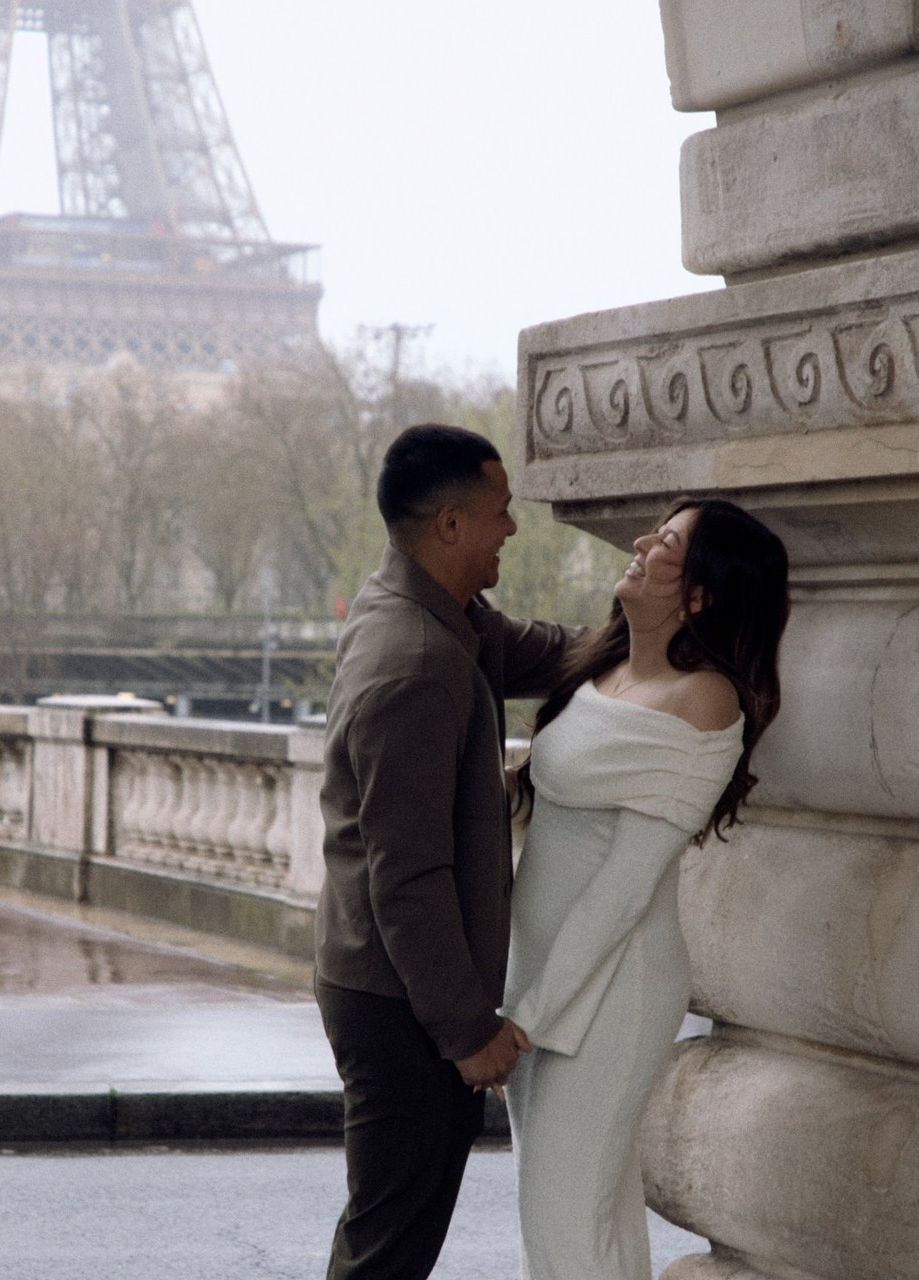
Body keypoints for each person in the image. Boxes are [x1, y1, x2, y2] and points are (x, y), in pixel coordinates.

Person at [315, 423, 579, 1280]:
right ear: (451, 525)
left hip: (388, 982)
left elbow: (542, 651)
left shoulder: (432, 614)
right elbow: (408, 877)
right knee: (386, 1250)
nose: (513, 527)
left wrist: (649, 635)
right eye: (501, 511)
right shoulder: (417, 662)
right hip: (399, 999)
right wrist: (468, 1031)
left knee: (390, 1236)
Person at [502, 497, 790, 1280]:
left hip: (612, 986)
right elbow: (541, 811)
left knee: (563, 1220)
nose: (638, 543)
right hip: (541, 972)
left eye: (665, 541)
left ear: (700, 594)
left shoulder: (705, 701)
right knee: (580, 1215)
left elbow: (624, 890)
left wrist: (526, 1020)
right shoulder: (604, 668)